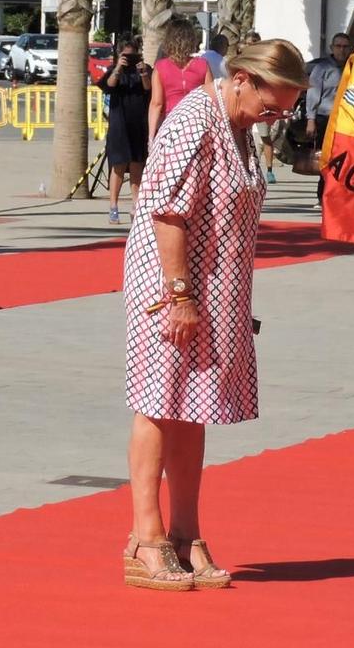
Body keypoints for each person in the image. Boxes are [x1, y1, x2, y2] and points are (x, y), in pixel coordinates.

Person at [121, 37, 307, 591]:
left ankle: (185, 533)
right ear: (243, 78)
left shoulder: (243, 129)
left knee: (194, 406)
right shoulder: (194, 119)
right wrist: (180, 295)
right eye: (271, 105)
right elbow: (168, 211)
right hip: (170, 283)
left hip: (216, 290)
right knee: (157, 403)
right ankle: (145, 538)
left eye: (285, 111)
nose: (274, 118)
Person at [101, 36, 150, 224]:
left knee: (137, 164)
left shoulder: (145, 70)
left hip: (139, 123)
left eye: (133, 55)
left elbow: (149, 89)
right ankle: (113, 206)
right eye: (126, 55)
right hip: (119, 123)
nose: (130, 59)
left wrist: (143, 73)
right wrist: (119, 68)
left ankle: (136, 205)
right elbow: (108, 86)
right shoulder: (113, 71)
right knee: (119, 165)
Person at [302, 31, 351, 203]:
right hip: (325, 119)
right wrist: (311, 119)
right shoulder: (322, 68)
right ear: (331, 47)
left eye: (345, 47)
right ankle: (322, 196)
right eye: (338, 46)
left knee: (344, 160)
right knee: (325, 159)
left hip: (346, 121)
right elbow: (313, 94)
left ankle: (341, 194)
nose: (342, 50)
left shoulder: (352, 67)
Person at [147, 16, 209, 146]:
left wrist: (151, 137)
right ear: (191, 40)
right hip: (197, 125)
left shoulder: (160, 67)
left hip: (171, 125)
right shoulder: (203, 65)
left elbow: (156, 103)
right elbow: (210, 99)